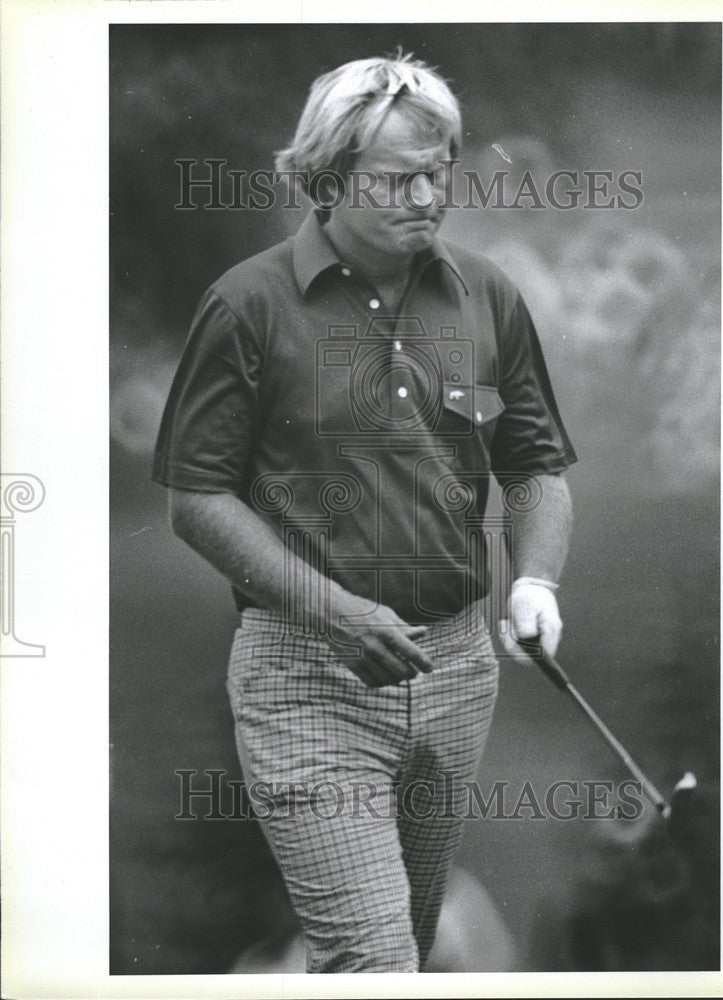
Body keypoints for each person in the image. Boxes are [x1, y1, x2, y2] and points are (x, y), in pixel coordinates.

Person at [153, 52, 576, 973]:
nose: (428, 195)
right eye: (398, 178)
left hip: (459, 671)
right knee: (373, 960)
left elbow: (535, 465)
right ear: (328, 176)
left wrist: (536, 578)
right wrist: (335, 612)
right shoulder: (246, 306)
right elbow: (196, 500)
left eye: (440, 172)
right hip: (305, 677)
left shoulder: (487, 296)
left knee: (410, 950)